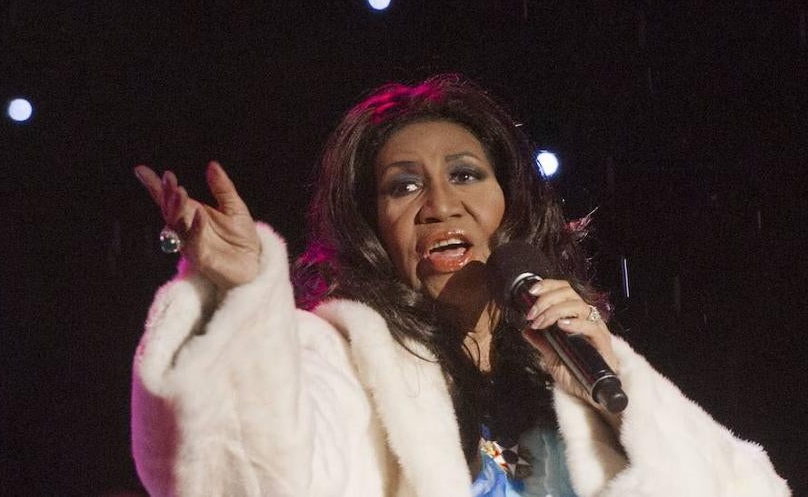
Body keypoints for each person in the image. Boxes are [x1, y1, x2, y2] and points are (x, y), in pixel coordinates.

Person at [129, 75, 789, 496]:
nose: (441, 205)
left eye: (466, 175)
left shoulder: (584, 366)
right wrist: (241, 296)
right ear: (373, 229)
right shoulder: (337, 359)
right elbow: (240, 475)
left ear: (510, 208)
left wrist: (620, 394)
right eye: (404, 186)